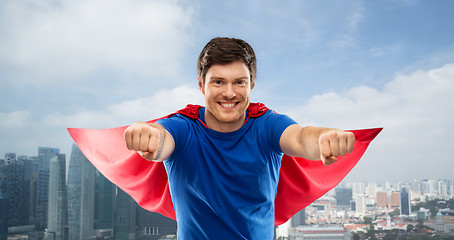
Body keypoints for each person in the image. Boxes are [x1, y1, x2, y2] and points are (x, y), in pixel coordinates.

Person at [123, 37, 355, 239]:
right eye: (218, 81)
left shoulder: (267, 124)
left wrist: (324, 137)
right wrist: (150, 134)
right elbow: (163, 138)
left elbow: (302, 137)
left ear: (251, 84)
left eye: (239, 82)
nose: (229, 93)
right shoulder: (184, 126)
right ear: (201, 86)